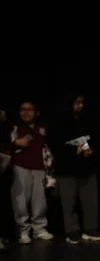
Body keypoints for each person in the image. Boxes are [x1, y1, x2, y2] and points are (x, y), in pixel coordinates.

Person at [51, 93, 100, 244]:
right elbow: (55, 144)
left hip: (87, 166)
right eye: (77, 103)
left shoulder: (87, 118)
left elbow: (94, 137)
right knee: (69, 202)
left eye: (82, 102)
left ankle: (90, 228)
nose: (80, 105)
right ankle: (72, 231)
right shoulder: (59, 121)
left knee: (90, 200)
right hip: (67, 168)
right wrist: (74, 151)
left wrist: (90, 150)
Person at [8, 100, 54, 244]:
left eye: (30, 109)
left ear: (36, 113)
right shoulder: (15, 127)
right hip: (20, 166)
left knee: (40, 200)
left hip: (39, 167)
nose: (26, 112)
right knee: (20, 200)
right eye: (23, 109)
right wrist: (15, 143)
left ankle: (39, 229)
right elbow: (6, 144)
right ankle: (23, 230)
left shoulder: (43, 128)